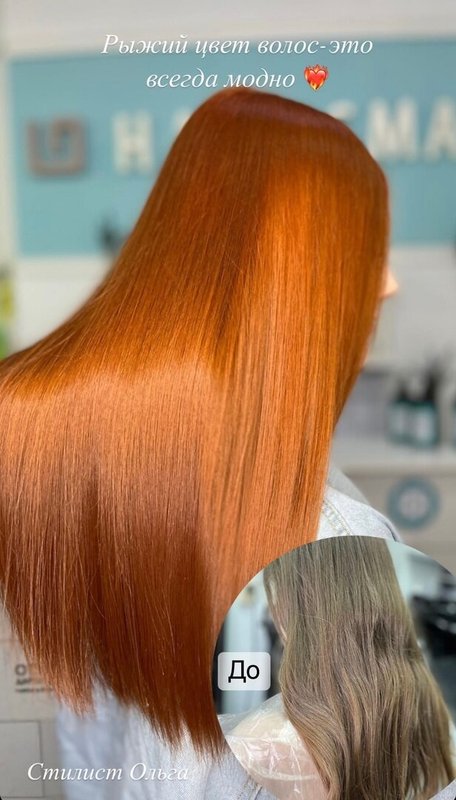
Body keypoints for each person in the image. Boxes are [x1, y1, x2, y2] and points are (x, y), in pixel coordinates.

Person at [0, 86, 398, 752]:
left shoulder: (44, 450)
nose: (388, 284)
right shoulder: (339, 544)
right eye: (368, 253)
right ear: (298, 283)